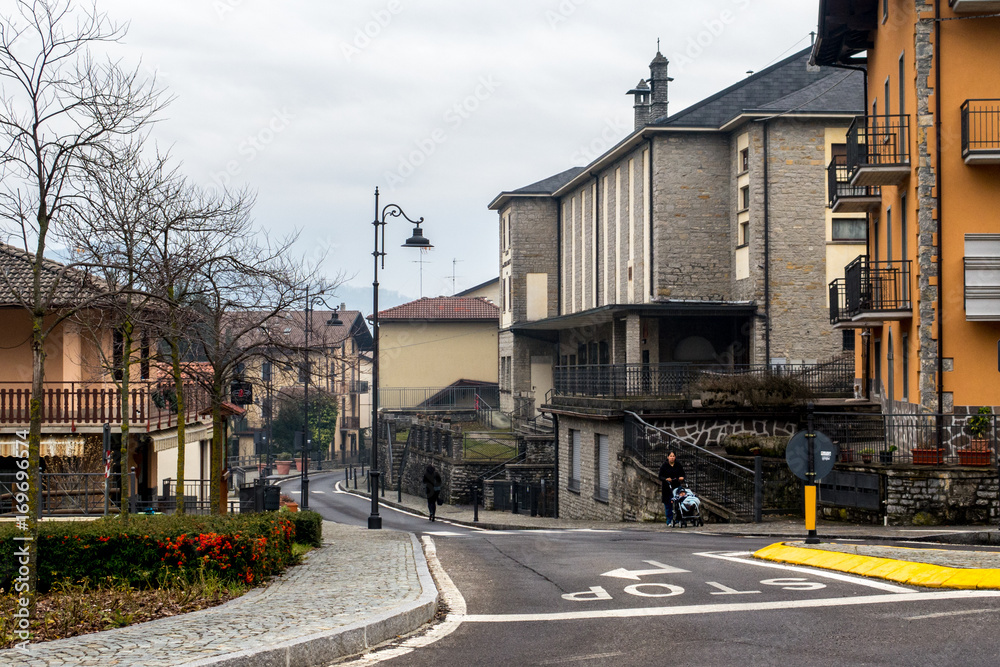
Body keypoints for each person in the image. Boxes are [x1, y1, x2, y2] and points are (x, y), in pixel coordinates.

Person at [657, 451, 685, 526]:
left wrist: (682, 478)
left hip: (676, 486)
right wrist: (666, 479)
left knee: (678, 503)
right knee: (668, 504)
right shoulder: (664, 466)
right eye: (670, 456)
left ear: (675, 457)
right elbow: (660, 476)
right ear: (668, 457)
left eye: (673, 456)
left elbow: (683, 474)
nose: (672, 457)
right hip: (667, 487)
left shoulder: (678, 465)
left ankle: (679, 519)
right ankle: (669, 520)